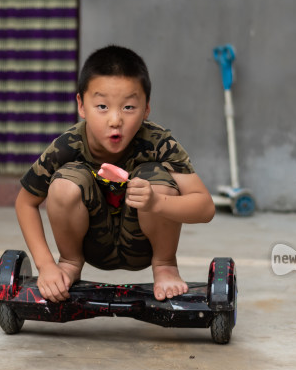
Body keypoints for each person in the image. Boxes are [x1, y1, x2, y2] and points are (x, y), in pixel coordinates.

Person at [15, 45, 215, 303]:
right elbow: (25, 202)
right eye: (101, 106)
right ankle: (69, 263)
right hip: (89, 246)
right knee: (65, 181)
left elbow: (205, 207)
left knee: (155, 178)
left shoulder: (158, 142)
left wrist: (156, 202)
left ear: (146, 109)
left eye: (129, 107)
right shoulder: (67, 146)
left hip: (145, 246)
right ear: (81, 105)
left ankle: (165, 266)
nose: (115, 120)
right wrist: (45, 265)